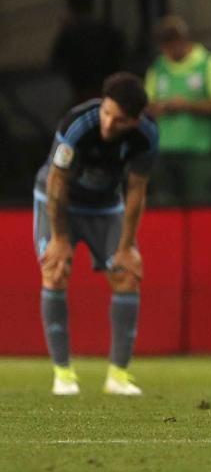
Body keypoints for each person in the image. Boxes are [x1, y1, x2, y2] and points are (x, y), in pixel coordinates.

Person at [33, 73, 158, 396]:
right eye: (106, 114)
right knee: (56, 270)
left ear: (135, 120)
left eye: (118, 121)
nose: (107, 125)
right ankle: (63, 375)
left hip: (104, 207)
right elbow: (57, 182)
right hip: (58, 202)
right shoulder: (78, 123)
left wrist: (127, 245)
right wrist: (60, 239)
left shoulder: (146, 136)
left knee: (127, 274)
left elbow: (136, 191)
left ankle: (117, 376)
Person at [144, 16, 211, 204]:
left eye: (173, 41)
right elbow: (145, 106)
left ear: (184, 40)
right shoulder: (158, 68)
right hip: (163, 149)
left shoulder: (208, 63)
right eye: (165, 43)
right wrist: (158, 108)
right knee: (163, 204)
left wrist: (187, 105)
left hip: (198, 150)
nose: (170, 48)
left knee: (200, 203)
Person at [49, 0, 125, 107]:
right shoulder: (108, 31)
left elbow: (56, 62)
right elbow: (120, 59)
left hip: (80, 92)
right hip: (106, 92)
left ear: (71, 8)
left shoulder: (69, 33)